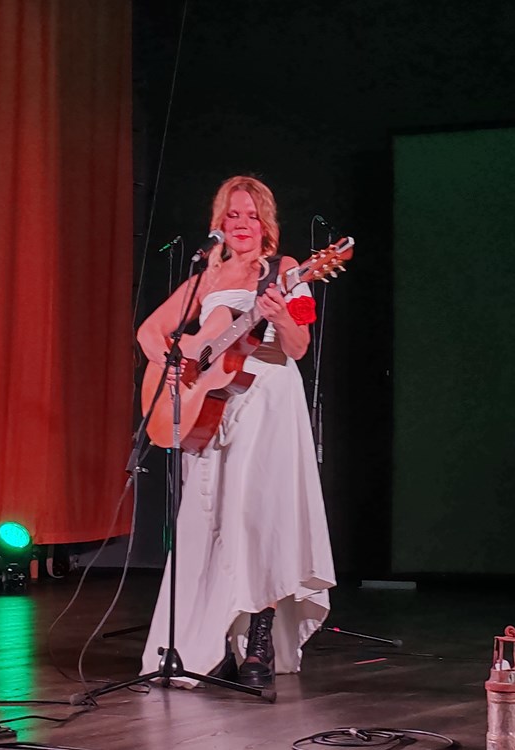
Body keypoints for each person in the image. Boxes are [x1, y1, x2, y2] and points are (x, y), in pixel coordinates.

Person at [136, 175, 336, 691]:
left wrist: (279, 317)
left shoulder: (287, 271)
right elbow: (149, 331)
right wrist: (175, 364)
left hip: (268, 399)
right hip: (211, 406)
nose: (242, 224)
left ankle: (259, 640)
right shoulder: (207, 276)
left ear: (266, 223)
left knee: (257, 516)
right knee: (211, 518)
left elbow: (298, 346)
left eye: (251, 215)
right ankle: (210, 644)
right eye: (233, 215)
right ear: (219, 222)